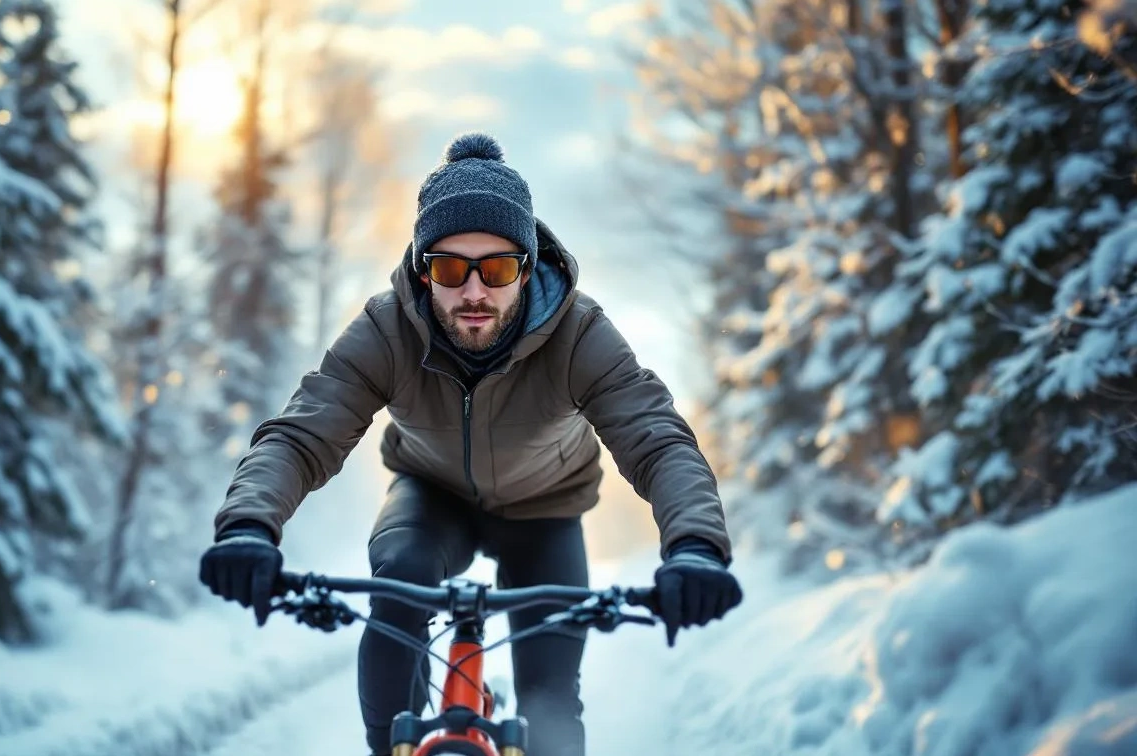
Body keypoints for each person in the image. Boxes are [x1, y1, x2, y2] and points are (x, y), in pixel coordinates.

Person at [199, 132, 743, 756]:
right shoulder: (387, 328)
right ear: (424, 270)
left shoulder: (580, 334)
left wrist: (695, 547)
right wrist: (247, 527)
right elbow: (302, 434)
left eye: (499, 268)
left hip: (546, 513)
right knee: (398, 582)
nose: (475, 292)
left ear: (529, 267)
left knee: (552, 715)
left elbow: (657, 442)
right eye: (452, 268)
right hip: (431, 500)